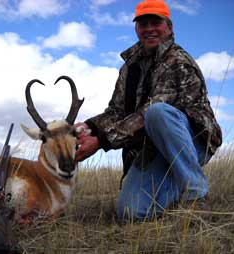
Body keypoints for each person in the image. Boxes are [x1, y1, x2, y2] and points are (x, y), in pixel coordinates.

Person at [75, 0, 222, 222]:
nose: (150, 29)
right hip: (156, 146)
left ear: (169, 27)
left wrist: (101, 141)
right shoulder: (129, 67)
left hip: (195, 141)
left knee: (157, 113)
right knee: (130, 213)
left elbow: (147, 114)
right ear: (136, 29)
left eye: (156, 22)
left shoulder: (178, 60)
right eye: (143, 24)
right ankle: (174, 189)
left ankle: (196, 198)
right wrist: (89, 127)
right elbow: (116, 111)